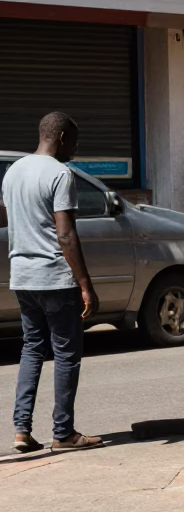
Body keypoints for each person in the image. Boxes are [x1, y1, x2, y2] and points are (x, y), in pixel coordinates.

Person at [1, 112, 103, 454]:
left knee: (32, 349)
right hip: (56, 279)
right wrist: (85, 283)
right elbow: (65, 233)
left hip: (23, 277)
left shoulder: (14, 171)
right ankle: (63, 432)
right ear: (60, 137)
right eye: (74, 140)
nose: (75, 147)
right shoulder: (61, 173)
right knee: (66, 354)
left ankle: (21, 429)